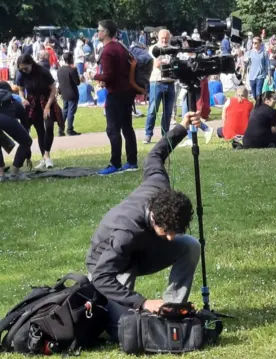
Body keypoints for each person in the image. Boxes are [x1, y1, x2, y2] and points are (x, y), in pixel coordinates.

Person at [86, 111, 203, 341]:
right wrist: (143, 302)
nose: (171, 237)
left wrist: (181, 127)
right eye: (167, 231)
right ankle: (119, 315)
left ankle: (171, 310)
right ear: (155, 219)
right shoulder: (126, 233)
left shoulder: (159, 185)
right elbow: (101, 276)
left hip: (141, 251)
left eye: (175, 231)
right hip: (109, 265)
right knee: (122, 330)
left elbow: (155, 155)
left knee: (190, 246)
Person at [93, 19, 138, 175]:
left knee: (113, 129)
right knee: (127, 127)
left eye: (99, 30)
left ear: (105, 32)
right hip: (127, 91)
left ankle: (115, 163)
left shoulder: (107, 50)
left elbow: (109, 76)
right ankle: (132, 161)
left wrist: (95, 75)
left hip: (116, 93)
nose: (97, 32)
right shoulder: (120, 46)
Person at [15, 54, 61, 169]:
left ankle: (47, 154)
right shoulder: (21, 74)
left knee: (49, 126)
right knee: (40, 130)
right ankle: (44, 157)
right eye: (21, 69)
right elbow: (20, 90)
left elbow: (53, 89)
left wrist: (48, 106)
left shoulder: (43, 72)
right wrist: (23, 99)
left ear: (31, 63)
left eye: (26, 68)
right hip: (32, 103)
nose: (24, 71)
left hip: (46, 100)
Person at [145, 29, 176, 144]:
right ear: (158, 37)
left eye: (166, 38)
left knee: (167, 112)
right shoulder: (154, 49)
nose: (164, 40)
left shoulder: (172, 49)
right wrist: (168, 64)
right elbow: (156, 64)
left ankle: (165, 135)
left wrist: (166, 64)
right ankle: (148, 134)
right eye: (162, 38)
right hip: (156, 82)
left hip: (170, 82)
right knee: (153, 109)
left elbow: (175, 64)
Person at [0, 82, 32, 181]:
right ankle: (14, 174)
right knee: (26, 141)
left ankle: (1, 175)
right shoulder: (14, 100)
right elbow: (25, 128)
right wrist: (27, 153)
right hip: (6, 119)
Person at [57, 52, 81, 136]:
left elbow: (60, 82)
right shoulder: (72, 70)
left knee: (65, 111)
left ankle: (60, 130)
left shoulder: (59, 70)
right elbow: (77, 82)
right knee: (71, 112)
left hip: (64, 93)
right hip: (72, 93)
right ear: (71, 59)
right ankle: (70, 129)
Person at [246, 36, 270, 103]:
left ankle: (258, 106)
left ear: (260, 43)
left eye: (256, 43)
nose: (254, 44)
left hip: (261, 75)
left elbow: (268, 65)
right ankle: (260, 104)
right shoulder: (249, 53)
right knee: (254, 93)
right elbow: (245, 65)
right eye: (253, 43)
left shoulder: (264, 53)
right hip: (252, 75)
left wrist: (269, 77)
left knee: (258, 92)